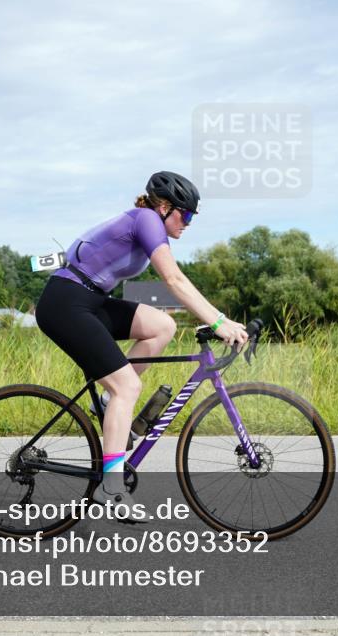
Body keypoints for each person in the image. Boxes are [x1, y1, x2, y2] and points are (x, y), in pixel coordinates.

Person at [35, 171, 249, 517]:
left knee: (162, 325)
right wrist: (219, 321)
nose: (188, 223)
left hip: (90, 301)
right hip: (66, 304)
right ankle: (112, 489)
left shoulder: (145, 222)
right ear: (165, 206)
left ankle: (108, 403)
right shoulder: (148, 219)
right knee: (128, 387)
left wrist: (216, 319)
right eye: (186, 214)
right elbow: (174, 279)